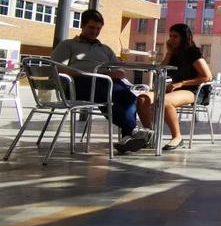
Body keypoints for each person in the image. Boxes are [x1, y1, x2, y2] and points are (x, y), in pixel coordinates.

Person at [51, 9, 151, 153]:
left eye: (98, 28)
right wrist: (90, 74)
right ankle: (133, 130)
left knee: (128, 97)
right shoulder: (68, 45)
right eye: (91, 27)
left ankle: (128, 137)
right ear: (82, 26)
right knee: (104, 95)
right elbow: (57, 68)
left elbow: (120, 70)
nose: (95, 32)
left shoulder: (105, 49)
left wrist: (116, 73)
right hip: (78, 84)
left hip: (105, 82)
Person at [135, 23, 212, 151]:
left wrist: (181, 83)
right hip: (175, 89)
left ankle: (177, 137)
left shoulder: (193, 52)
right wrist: (169, 52)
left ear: (184, 37)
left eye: (175, 36)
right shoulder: (174, 54)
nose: (171, 39)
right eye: (170, 36)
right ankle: (150, 135)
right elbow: (161, 70)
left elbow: (207, 77)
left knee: (165, 101)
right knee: (142, 99)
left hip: (193, 90)